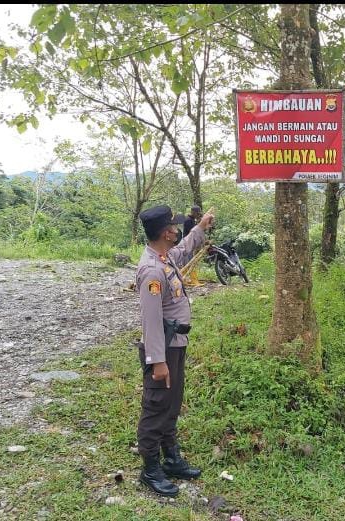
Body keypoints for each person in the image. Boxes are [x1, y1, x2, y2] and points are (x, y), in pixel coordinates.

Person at [135, 204, 214, 497]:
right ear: (166, 232)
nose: (176, 229)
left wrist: (201, 227)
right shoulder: (152, 271)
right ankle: (150, 468)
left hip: (175, 345)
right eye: (173, 226)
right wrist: (157, 361)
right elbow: (151, 321)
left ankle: (171, 458)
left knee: (172, 402)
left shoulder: (165, 257)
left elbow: (184, 251)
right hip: (163, 350)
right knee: (156, 406)